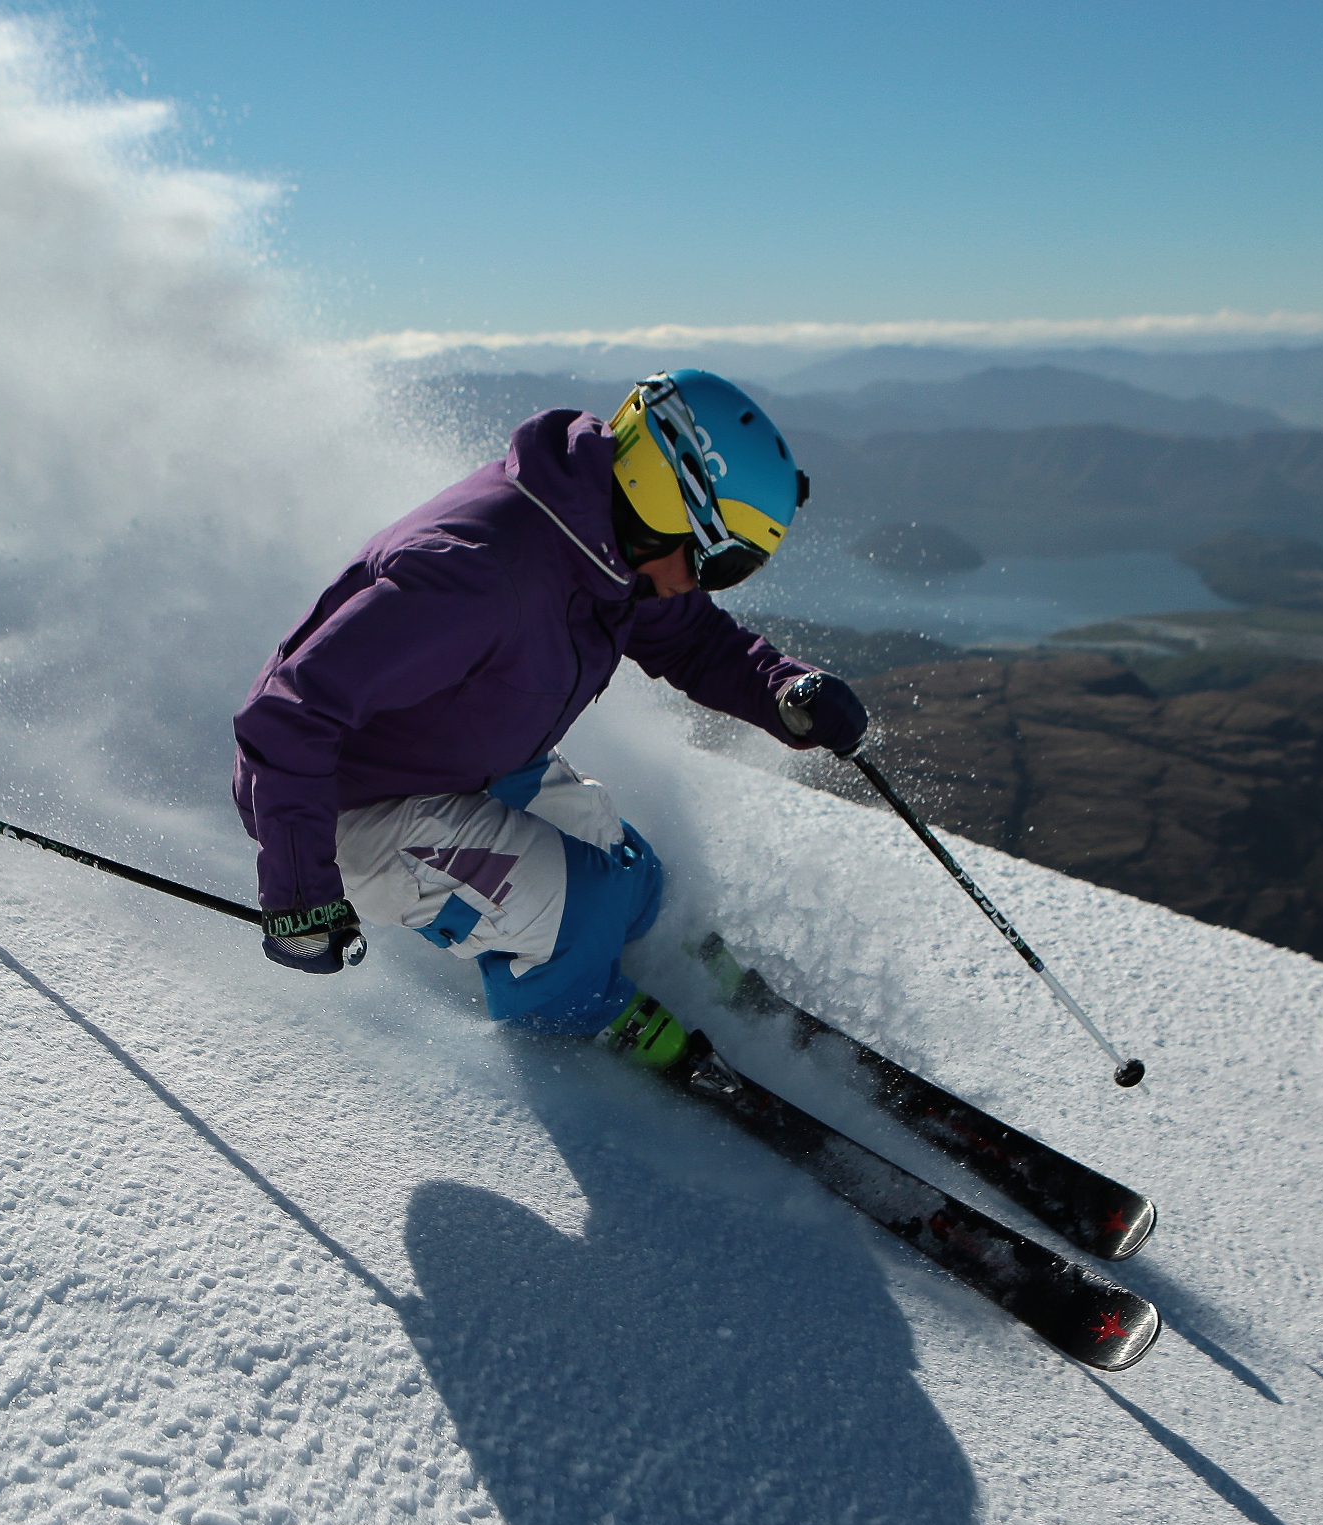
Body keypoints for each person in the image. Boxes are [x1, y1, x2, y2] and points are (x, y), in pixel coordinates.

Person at [230, 370, 870, 1064]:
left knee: (628, 870)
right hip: (343, 811)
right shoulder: (479, 575)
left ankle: (654, 963)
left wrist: (784, 691)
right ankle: (571, 1036)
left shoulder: (611, 544)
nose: (703, 581)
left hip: (453, 766)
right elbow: (290, 711)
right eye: (718, 560)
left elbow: (693, 638)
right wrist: (300, 899)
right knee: (580, 905)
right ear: (664, 495)